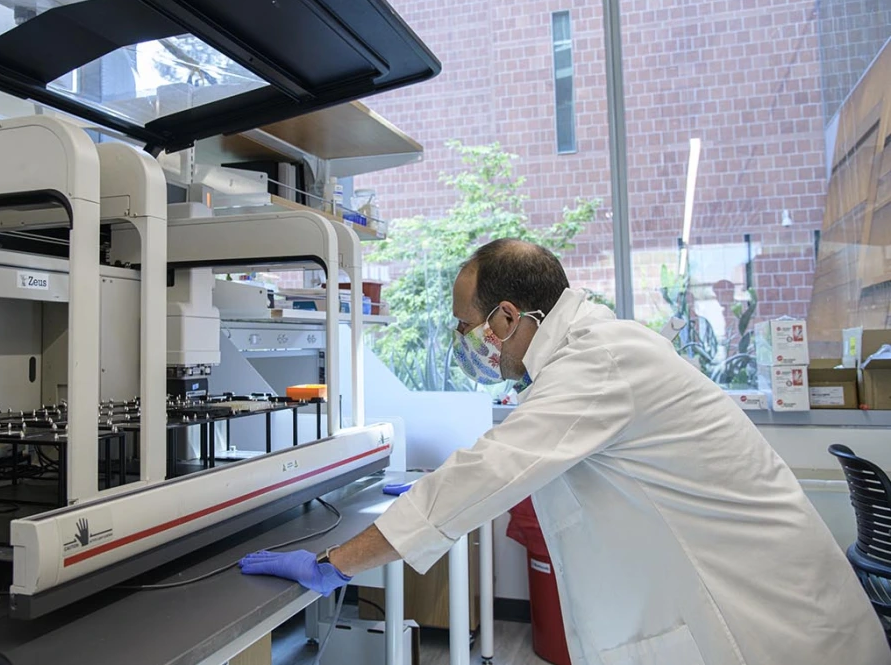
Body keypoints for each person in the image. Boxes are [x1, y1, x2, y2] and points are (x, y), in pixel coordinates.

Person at [239, 239, 888, 664]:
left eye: (469, 327)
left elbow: (491, 469)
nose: (472, 345)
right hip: (741, 599)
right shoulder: (585, 356)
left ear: (506, 318)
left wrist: (335, 564)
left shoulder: (597, 360)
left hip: (776, 627)